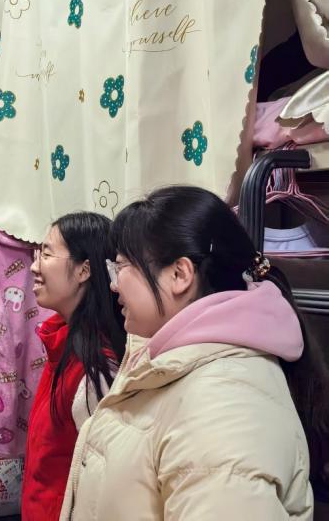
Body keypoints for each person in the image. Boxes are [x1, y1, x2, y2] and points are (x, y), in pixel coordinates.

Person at [60, 185, 329, 520]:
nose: (114, 284)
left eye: (121, 266)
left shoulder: (224, 406)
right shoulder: (172, 363)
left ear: (179, 275)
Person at [21, 212, 126, 520]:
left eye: (47, 254)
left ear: (84, 270)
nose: (34, 266)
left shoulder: (98, 369)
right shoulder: (62, 347)